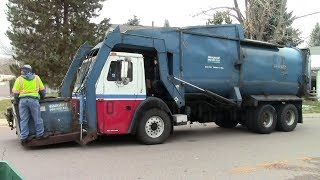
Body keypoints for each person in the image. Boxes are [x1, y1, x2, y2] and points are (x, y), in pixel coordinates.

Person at [12, 64, 48, 143]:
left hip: (23, 101)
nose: (21, 71)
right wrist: (42, 98)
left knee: (24, 119)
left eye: (22, 70)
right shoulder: (36, 78)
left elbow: (15, 93)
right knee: (37, 118)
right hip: (33, 100)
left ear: (25, 70)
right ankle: (40, 134)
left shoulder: (19, 79)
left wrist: (17, 101)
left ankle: (24, 137)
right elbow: (42, 90)